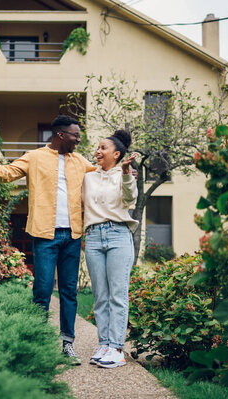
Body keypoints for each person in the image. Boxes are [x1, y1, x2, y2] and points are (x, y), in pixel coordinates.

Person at [0, 115, 95, 364]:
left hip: (73, 235)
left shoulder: (81, 162)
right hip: (45, 235)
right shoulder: (33, 157)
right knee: (42, 290)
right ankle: (37, 341)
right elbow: (4, 174)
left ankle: (67, 344)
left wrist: (121, 169)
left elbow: (102, 178)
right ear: (60, 135)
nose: (78, 140)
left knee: (69, 292)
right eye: (75, 135)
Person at [82, 129, 138, 368]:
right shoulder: (89, 176)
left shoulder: (125, 176)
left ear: (116, 154)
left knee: (117, 295)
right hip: (94, 237)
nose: (98, 151)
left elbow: (129, 200)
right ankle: (104, 344)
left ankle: (117, 348)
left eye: (103, 148)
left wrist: (126, 174)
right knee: (100, 297)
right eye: (97, 147)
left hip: (118, 235)